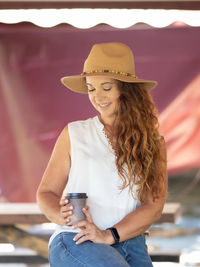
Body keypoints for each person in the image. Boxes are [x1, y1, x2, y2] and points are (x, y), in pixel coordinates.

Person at [36, 42, 167, 267]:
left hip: (130, 242)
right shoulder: (74, 133)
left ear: (126, 89)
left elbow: (153, 205)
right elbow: (46, 192)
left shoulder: (152, 142)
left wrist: (110, 236)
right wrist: (61, 215)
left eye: (106, 88)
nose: (97, 96)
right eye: (91, 88)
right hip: (77, 238)